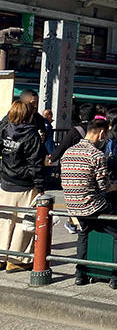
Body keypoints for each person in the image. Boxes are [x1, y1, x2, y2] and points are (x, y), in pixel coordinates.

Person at [61, 118, 117, 289]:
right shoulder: (96, 155)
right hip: (93, 205)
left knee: (84, 233)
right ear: (101, 133)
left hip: (73, 205)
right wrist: (116, 185)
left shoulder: (68, 152)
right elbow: (104, 186)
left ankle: (80, 274)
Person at [0, 100, 46, 272]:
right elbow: (35, 164)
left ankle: (1, 256)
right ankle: (16, 260)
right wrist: (41, 188)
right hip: (25, 185)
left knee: (4, 221)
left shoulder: (5, 130)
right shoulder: (31, 134)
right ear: (29, 115)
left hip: (6, 182)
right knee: (23, 223)